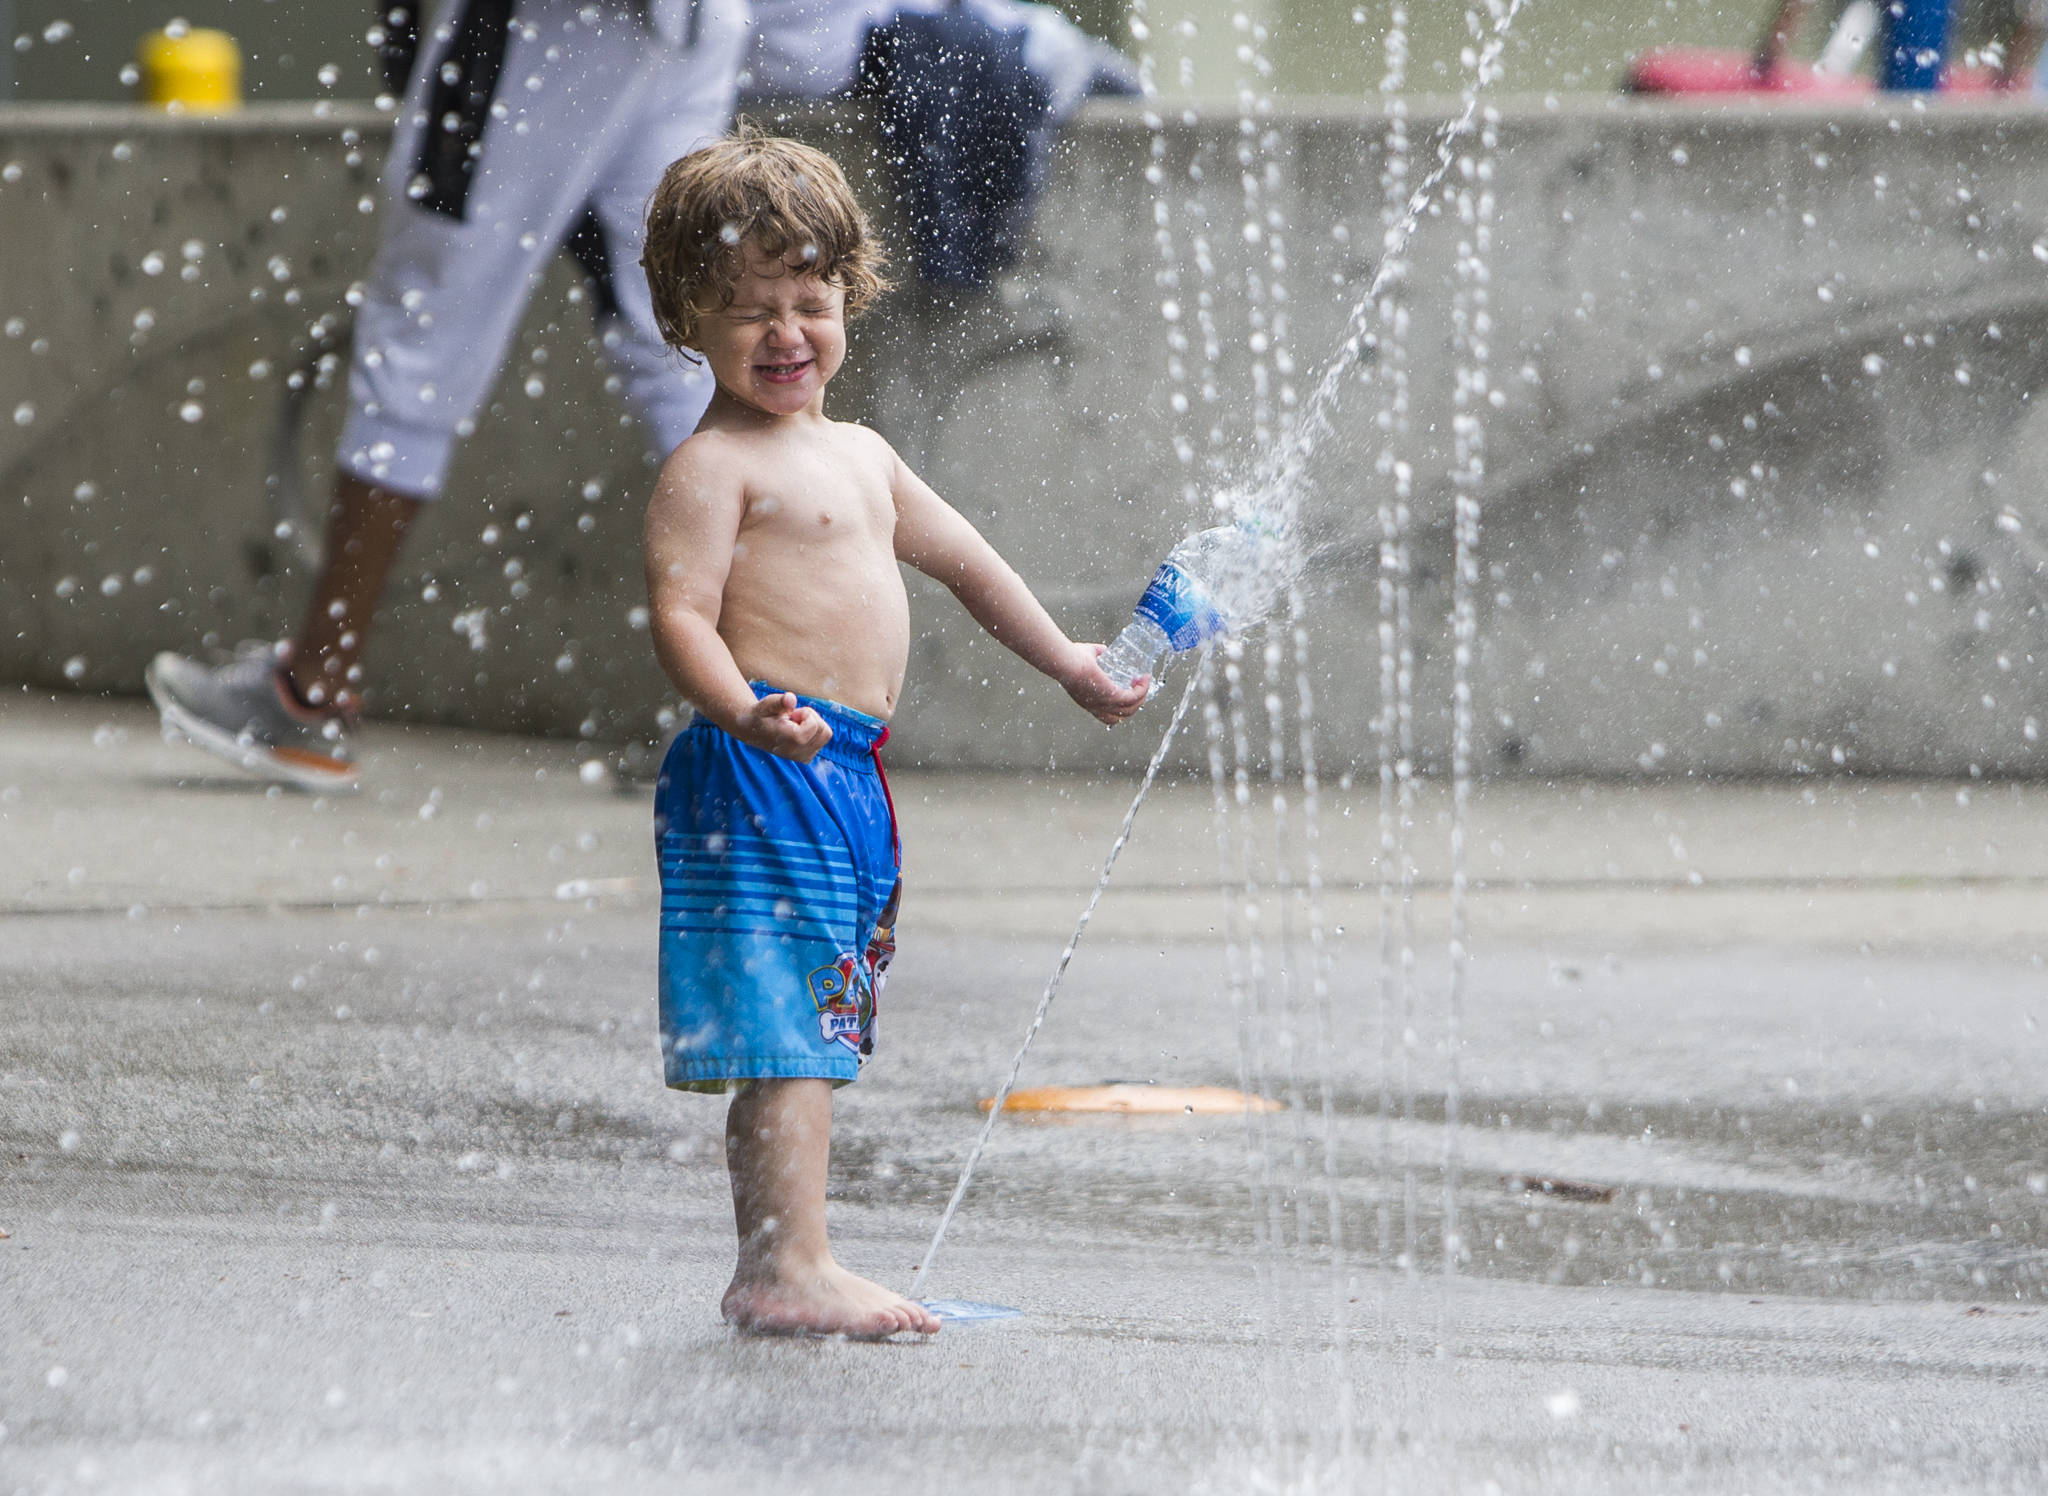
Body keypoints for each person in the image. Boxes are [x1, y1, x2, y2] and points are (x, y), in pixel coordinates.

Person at [637, 128, 1146, 1336]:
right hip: (764, 765)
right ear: (684, 319)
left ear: (847, 297)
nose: (785, 332)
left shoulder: (862, 456)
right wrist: (740, 707)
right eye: (748, 307)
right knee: (786, 1027)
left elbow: (969, 563)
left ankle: (791, 1256)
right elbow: (679, 614)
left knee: (816, 1012)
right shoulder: (710, 469)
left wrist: (1068, 660)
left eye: (809, 299)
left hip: (843, 770)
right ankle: (783, 1265)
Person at [145, 0, 747, 791]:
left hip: (549, 23)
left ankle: (312, 693)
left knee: (424, 328)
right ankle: (757, 708)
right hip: (691, 20)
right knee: (679, 340)